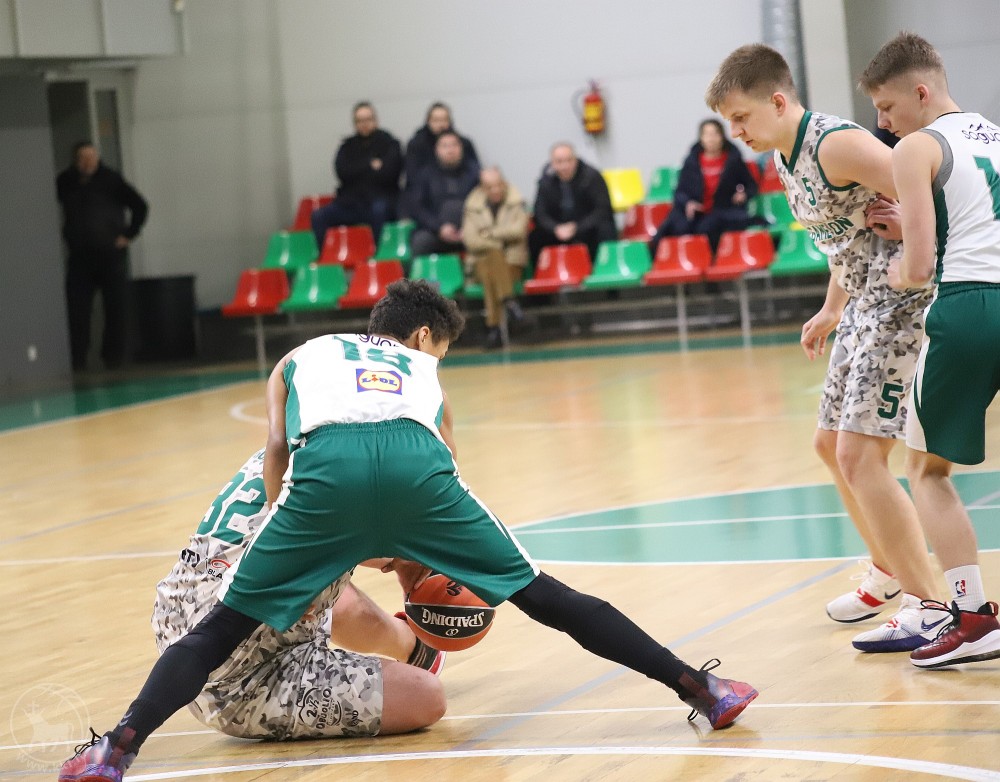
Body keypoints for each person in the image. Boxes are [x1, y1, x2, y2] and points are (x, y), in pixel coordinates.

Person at [59, 279, 757, 781]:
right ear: (424, 339)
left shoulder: (301, 355)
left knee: (218, 631)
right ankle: (702, 689)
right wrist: (419, 546)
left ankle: (116, 749)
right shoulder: (425, 372)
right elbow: (441, 461)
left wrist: (289, 522)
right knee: (549, 596)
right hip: (416, 468)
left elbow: (275, 448)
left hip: (321, 477)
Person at [705, 44, 949, 654]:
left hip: (902, 303)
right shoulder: (783, 155)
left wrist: (913, 226)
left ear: (777, 101)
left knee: (860, 455)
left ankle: (931, 606)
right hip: (862, 304)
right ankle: (887, 568)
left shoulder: (835, 145)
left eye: (741, 118)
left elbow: (939, 190)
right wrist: (832, 307)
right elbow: (848, 232)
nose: (736, 132)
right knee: (827, 445)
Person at [858, 31, 1000, 669]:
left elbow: (917, 269)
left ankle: (973, 619)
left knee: (927, 472)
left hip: (968, 307)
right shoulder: (993, 135)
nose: (883, 124)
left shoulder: (916, 147)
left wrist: (896, 272)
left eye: (887, 107)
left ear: (920, 92)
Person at [151, 448, 447, 742]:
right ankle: (410, 649)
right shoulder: (351, 474)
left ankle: (414, 647)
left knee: (326, 584)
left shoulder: (288, 446)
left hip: (177, 615)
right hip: (240, 682)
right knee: (426, 697)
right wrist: (410, 552)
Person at [56, 142, 148, 372]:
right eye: (83, 158)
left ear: (98, 158)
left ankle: (113, 359)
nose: (88, 162)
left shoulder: (111, 180)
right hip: (80, 257)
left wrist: (129, 234)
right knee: (77, 311)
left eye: (92, 157)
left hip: (110, 255)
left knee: (116, 309)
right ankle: (78, 360)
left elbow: (140, 206)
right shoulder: (65, 182)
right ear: (76, 161)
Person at [648, 119, 760, 255]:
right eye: (707, 134)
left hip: (722, 211)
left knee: (708, 227)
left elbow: (751, 185)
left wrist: (744, 194)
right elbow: (680, 192)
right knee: (675, 226)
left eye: (715, 134)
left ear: (722, 136)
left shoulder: (733, 160)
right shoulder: (691, 162)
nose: (711, 139)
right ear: (701, 138)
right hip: (696, 213)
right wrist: (688, 203)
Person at [310, 102, 402, 250]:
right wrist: (370, 165)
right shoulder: (347, 147)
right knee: (319, 216)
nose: (364, 124)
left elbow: (390, 173)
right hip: (350, 203)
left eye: (368, 119)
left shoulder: (390, 144)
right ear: (355, 123)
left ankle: (378, 255)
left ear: (376, 120)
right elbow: (342, 172)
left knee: (380, 210)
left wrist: (357, 168)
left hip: (380, 200)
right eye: (360, 121)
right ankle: (326, 256)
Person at [461, 166, 530, 349]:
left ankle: (494, 329)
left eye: (499, 185)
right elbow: (470, 240)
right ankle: (510, 302)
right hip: (481, 263)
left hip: (512, 262)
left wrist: (489, 234)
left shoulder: (517, 201)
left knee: (490, 275)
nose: (496, 190)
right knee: (492, 257)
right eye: (490, 187)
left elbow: (519, 231)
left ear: (504, 183)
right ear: (482, 188)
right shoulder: (472, 207)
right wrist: (498, 244)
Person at [529, 142, 616, 263]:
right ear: (552, 163)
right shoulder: (546, 181)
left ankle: (603, 266)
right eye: (559, 162)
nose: (565, 166)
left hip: (586, 227)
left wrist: (577, 227)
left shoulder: (591, 177)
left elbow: (603, 209)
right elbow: (540, 213)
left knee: (605, 229)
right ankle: (544, 272)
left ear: (576, 160)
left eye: (569, 160)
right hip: (558, 230)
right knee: (535, 237)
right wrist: (555, 228)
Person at [402, 102, 479, 218]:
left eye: (444, 119)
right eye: (436, 120)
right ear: (428, 121)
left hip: (462, 195)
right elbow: (412, 179)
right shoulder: (417, 144)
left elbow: (476, 171)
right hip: (429, 196)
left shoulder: (463, 143)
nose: (441, 124)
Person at [409, 132, 480, 258]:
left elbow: (483, 204)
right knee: (420, 242)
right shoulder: (425, 174)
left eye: (454, 145)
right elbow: (417, 208)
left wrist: (470, 228)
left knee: (490, 241)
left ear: (461, 148)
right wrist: (439, 228)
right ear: (437, 150)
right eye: (445, 146)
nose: (450, 150)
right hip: (436, 232)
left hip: (470, 230)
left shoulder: (474, 173)